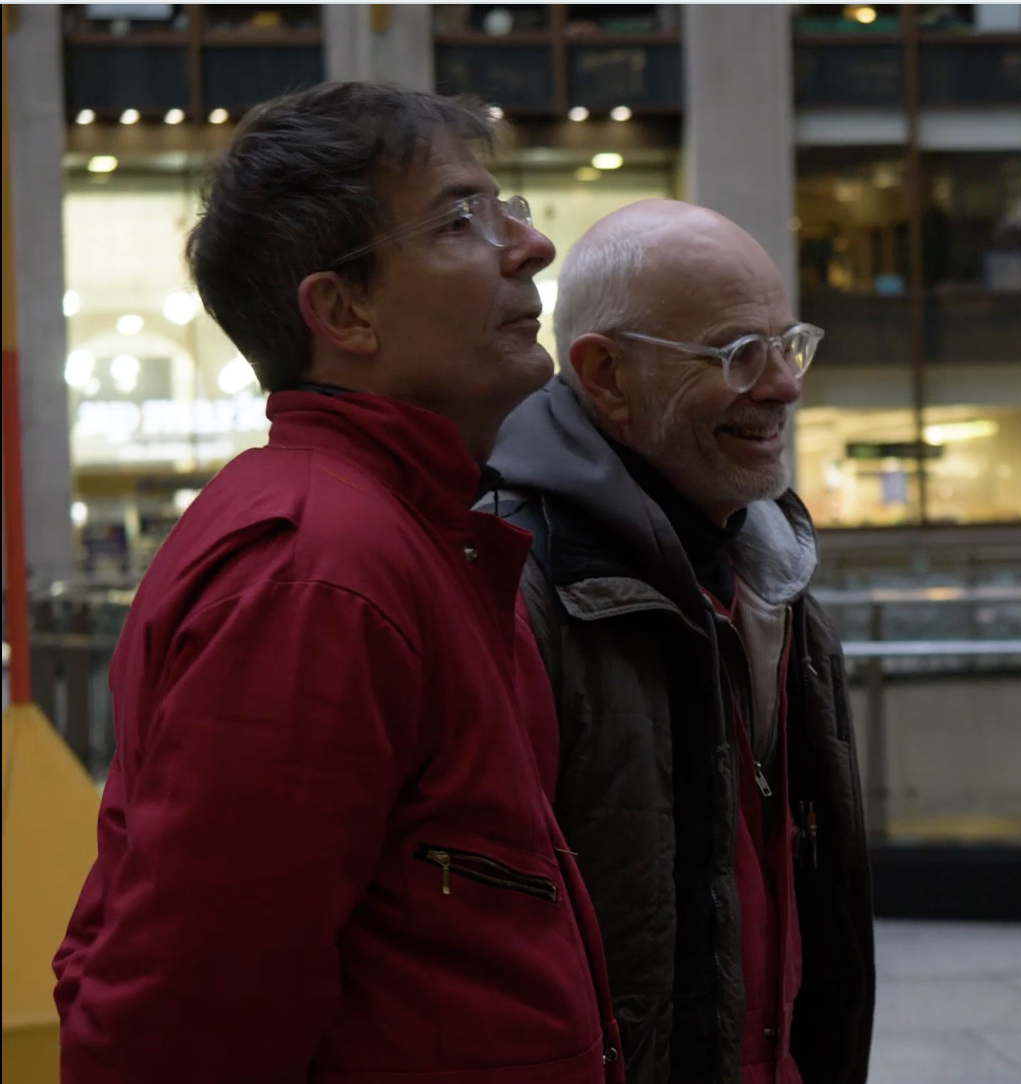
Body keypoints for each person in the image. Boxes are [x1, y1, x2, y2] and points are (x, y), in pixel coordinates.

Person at [53, 82, 624, 1081]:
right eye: (460, 220)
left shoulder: (409, 535)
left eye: (509, 210)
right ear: (343, 309)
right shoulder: (318, 575)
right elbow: (190, 1021)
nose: (532, 247)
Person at [485, 200, 875, 1084]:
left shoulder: (770, 571)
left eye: (790, 344)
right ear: (607, 375)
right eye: (738, 354)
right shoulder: (514, 585)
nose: (784, 385)